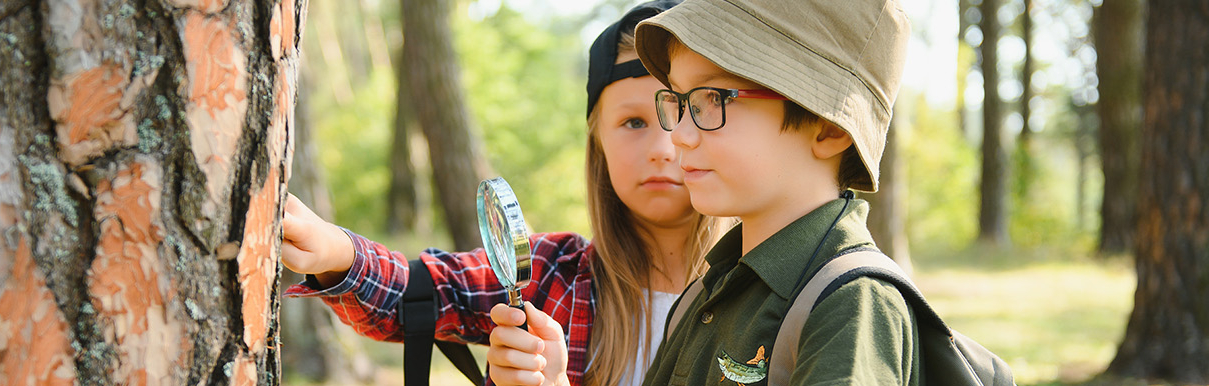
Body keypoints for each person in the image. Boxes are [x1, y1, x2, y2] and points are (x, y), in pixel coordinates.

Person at [279, 1, 731, 385]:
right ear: (598, 144)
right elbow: (419, 292)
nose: (661, 148)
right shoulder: (552, 273)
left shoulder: (772, 294)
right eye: (633, 122)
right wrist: (335, 252)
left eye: (684, 111)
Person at [605, 0, 916, 384]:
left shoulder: (851, 305)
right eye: (681, 102)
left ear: (829, 127)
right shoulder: (706, 293)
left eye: (712, 99)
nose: (679, 137)